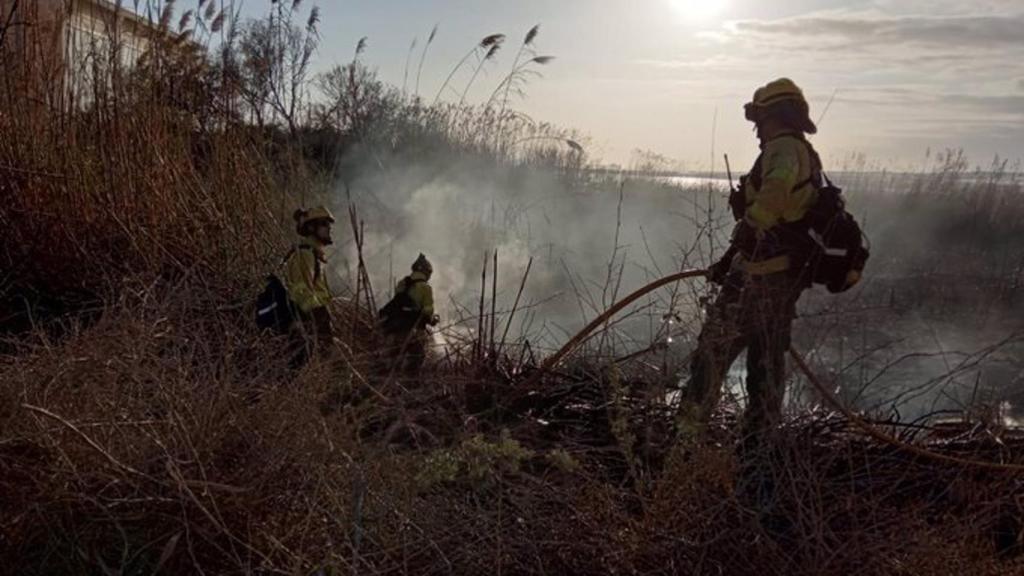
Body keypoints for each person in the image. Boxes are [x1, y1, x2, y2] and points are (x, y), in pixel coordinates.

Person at [679, 78, 834, 442]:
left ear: (774, 115)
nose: (756, 129)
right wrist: (730, 257)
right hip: (779, 279)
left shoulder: (781, 149)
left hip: (758, 279)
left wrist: (749, 227)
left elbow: (775, 195)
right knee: (765, 367)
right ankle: (758, 448)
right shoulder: (804, 152)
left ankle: (683, 441)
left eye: (759, 120)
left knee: (710, 358)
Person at [284, 206, 336, 368]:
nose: (329, 228)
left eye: (329, 224)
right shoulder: (305, 254)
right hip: (307, 325)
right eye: (323, 224)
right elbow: (300, 289)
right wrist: (318, 313)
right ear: (311, 227)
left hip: (314, 324)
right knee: (337, 363)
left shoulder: (314, 255)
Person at [379, 253, 439, 378]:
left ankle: (390, 384)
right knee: (416, 358)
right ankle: (410, 385)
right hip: (414, 330)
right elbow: (427, 312)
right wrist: (434, 319)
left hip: (396, 327)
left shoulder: (403, 283)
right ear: (426, 272)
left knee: (394, 359)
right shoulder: (426, 288)